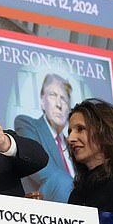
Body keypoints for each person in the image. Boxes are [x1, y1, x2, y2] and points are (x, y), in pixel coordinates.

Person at [14, 73, 75, 202]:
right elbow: (43, 173)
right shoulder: (27, 124)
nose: (59, 104)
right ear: (42, 102)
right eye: (53, 95)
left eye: (64, 99)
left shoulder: (73, 145)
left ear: (69, 109)